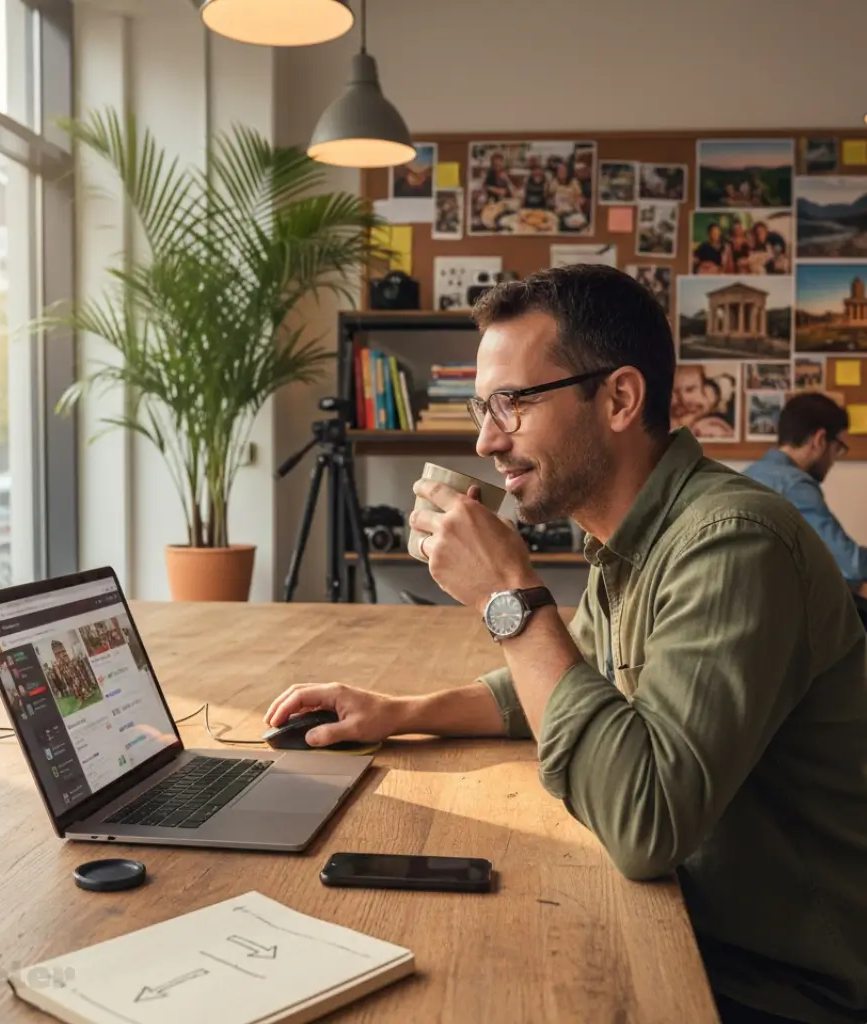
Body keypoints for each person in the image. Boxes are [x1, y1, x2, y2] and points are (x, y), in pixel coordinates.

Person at [265, 266, 867, 1024]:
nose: (487, 439)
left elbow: (645, 825)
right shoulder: (633, 536)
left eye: (512, 403)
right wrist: (398, 712)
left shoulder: (732, 544)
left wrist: (508, 596)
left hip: (770, 985)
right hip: (689, 924)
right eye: (483, 408)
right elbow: (564, 682)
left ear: (619, 399)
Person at [744, 392, 866, 587]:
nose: (834, 460)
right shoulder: (794, 486)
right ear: (820, 440)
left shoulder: (749, 474)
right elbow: (851, 566)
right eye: (838, 448)